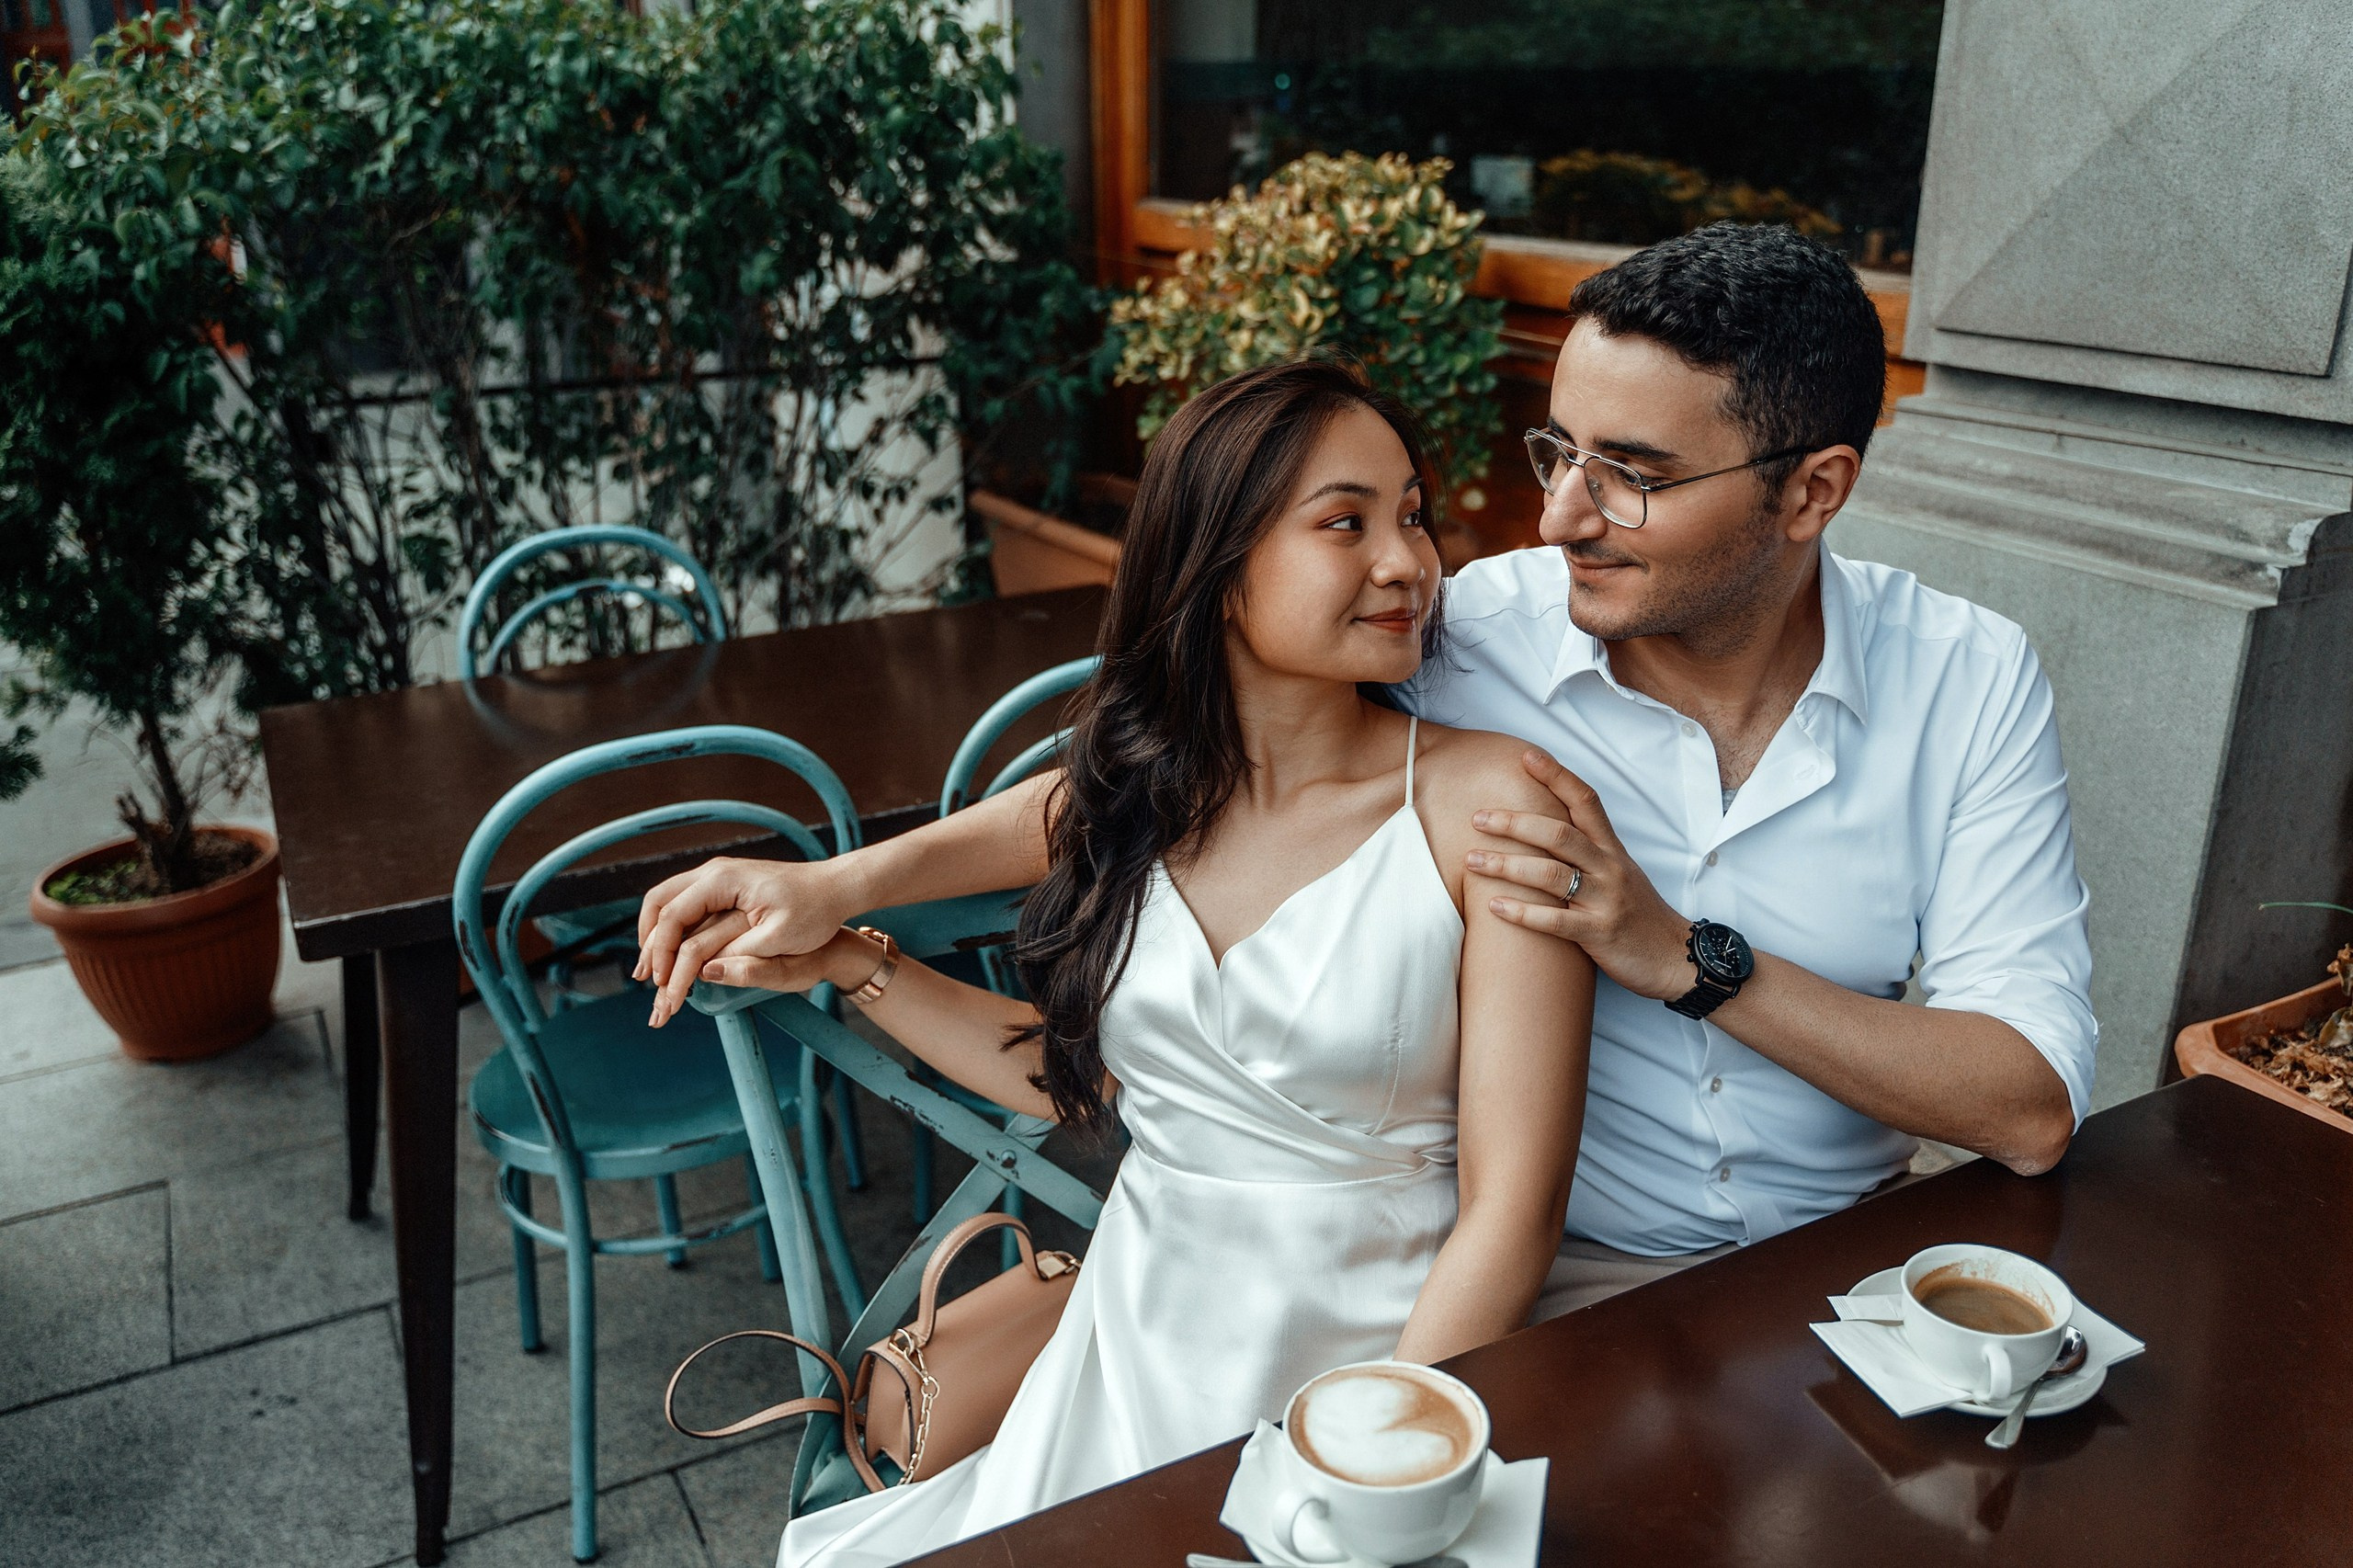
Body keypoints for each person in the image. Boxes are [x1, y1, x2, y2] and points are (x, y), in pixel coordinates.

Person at [641, 222, 2094, 1317]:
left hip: (1843, 1276)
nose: (1561, 516)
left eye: (1630, 474)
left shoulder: (1965, 679)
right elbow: (1160, 775)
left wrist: (1680, 955)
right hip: (1531, 1280)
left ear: (1813, 491)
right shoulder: (1464, 635)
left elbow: (2027, 1104)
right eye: (1556, 448)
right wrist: (843, 884)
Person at [645, 358, 1594, 1565]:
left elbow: (1517, 1211)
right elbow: (1082, 1084)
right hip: (1130, 1347)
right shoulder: (1149, 794)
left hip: (1376, 1359)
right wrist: (843, 933)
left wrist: (1378, 1464)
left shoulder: (1490, 805)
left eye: (1411, 514)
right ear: (1217, 560)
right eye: (1346, 522)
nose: (1409, 561)